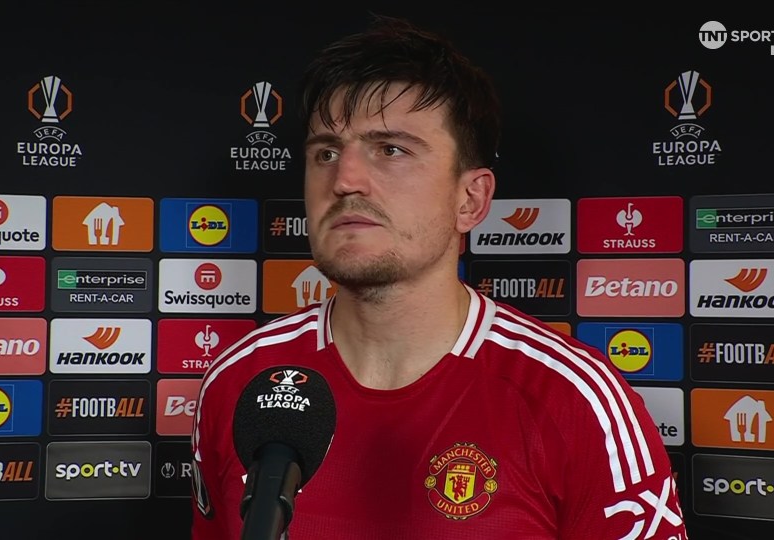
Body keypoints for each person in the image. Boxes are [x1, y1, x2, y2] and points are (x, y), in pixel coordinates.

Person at [191, 14, 688, 540]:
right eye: (326, 152)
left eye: (392, 150)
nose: (345, 179)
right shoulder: (238, 380)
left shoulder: (576, 399)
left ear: (470, 199)